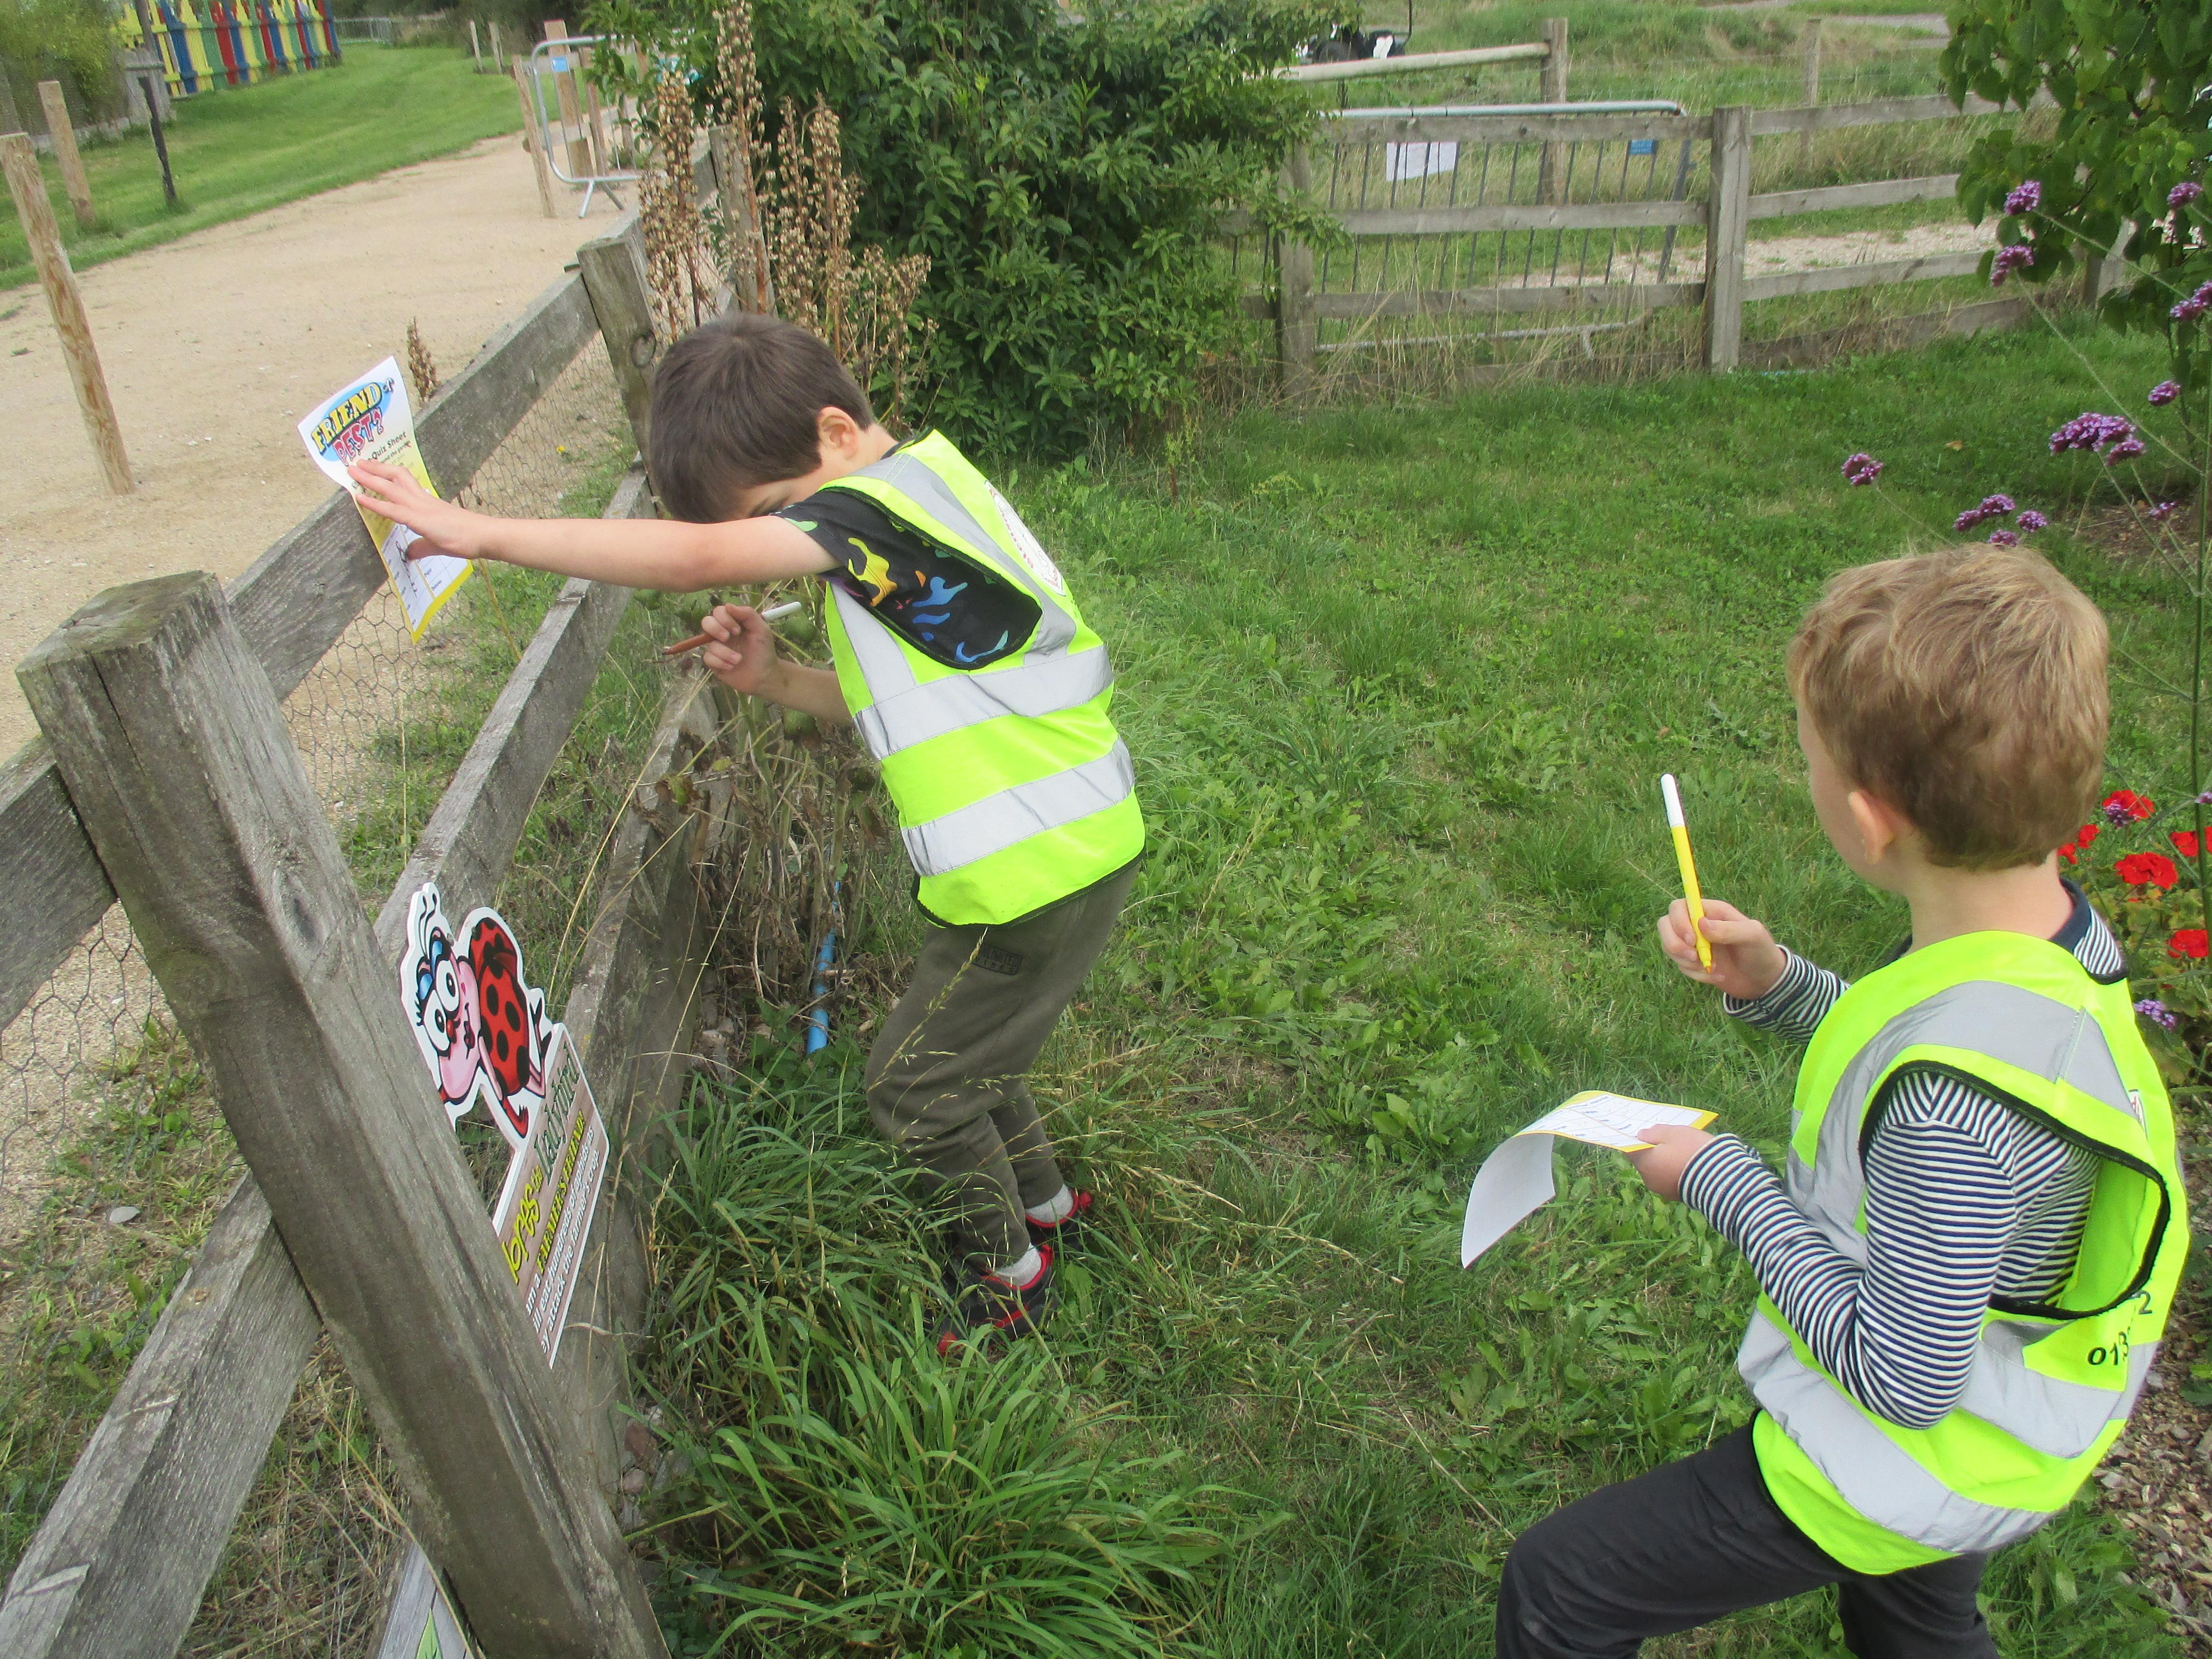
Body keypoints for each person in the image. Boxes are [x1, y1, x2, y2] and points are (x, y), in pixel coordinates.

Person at [349, 313, 1143, 1356]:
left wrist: (476, 531)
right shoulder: (929, 507)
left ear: (837, 436)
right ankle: (1047, 1208)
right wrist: (773, 677)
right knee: (966, 1049)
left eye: (774, 515)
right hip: (1063, 849)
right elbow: (912, 702)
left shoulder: (878, 506)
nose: (776, 549)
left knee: (915, 1088)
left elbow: (696, 557)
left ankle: (1008, 1276)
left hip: (1030, 872)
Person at [1496, 545, 2188, 1658]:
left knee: (1563, 1588)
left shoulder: (1954, 1117)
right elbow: (1929, 1038)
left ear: (1871, 822)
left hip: (1914, 1451)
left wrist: (1718, 1180)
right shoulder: (2054, 939)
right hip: (2006, 1407)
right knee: (1913, 1617)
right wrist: (1780, 987)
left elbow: (1898, 1377)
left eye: (1808, 757)